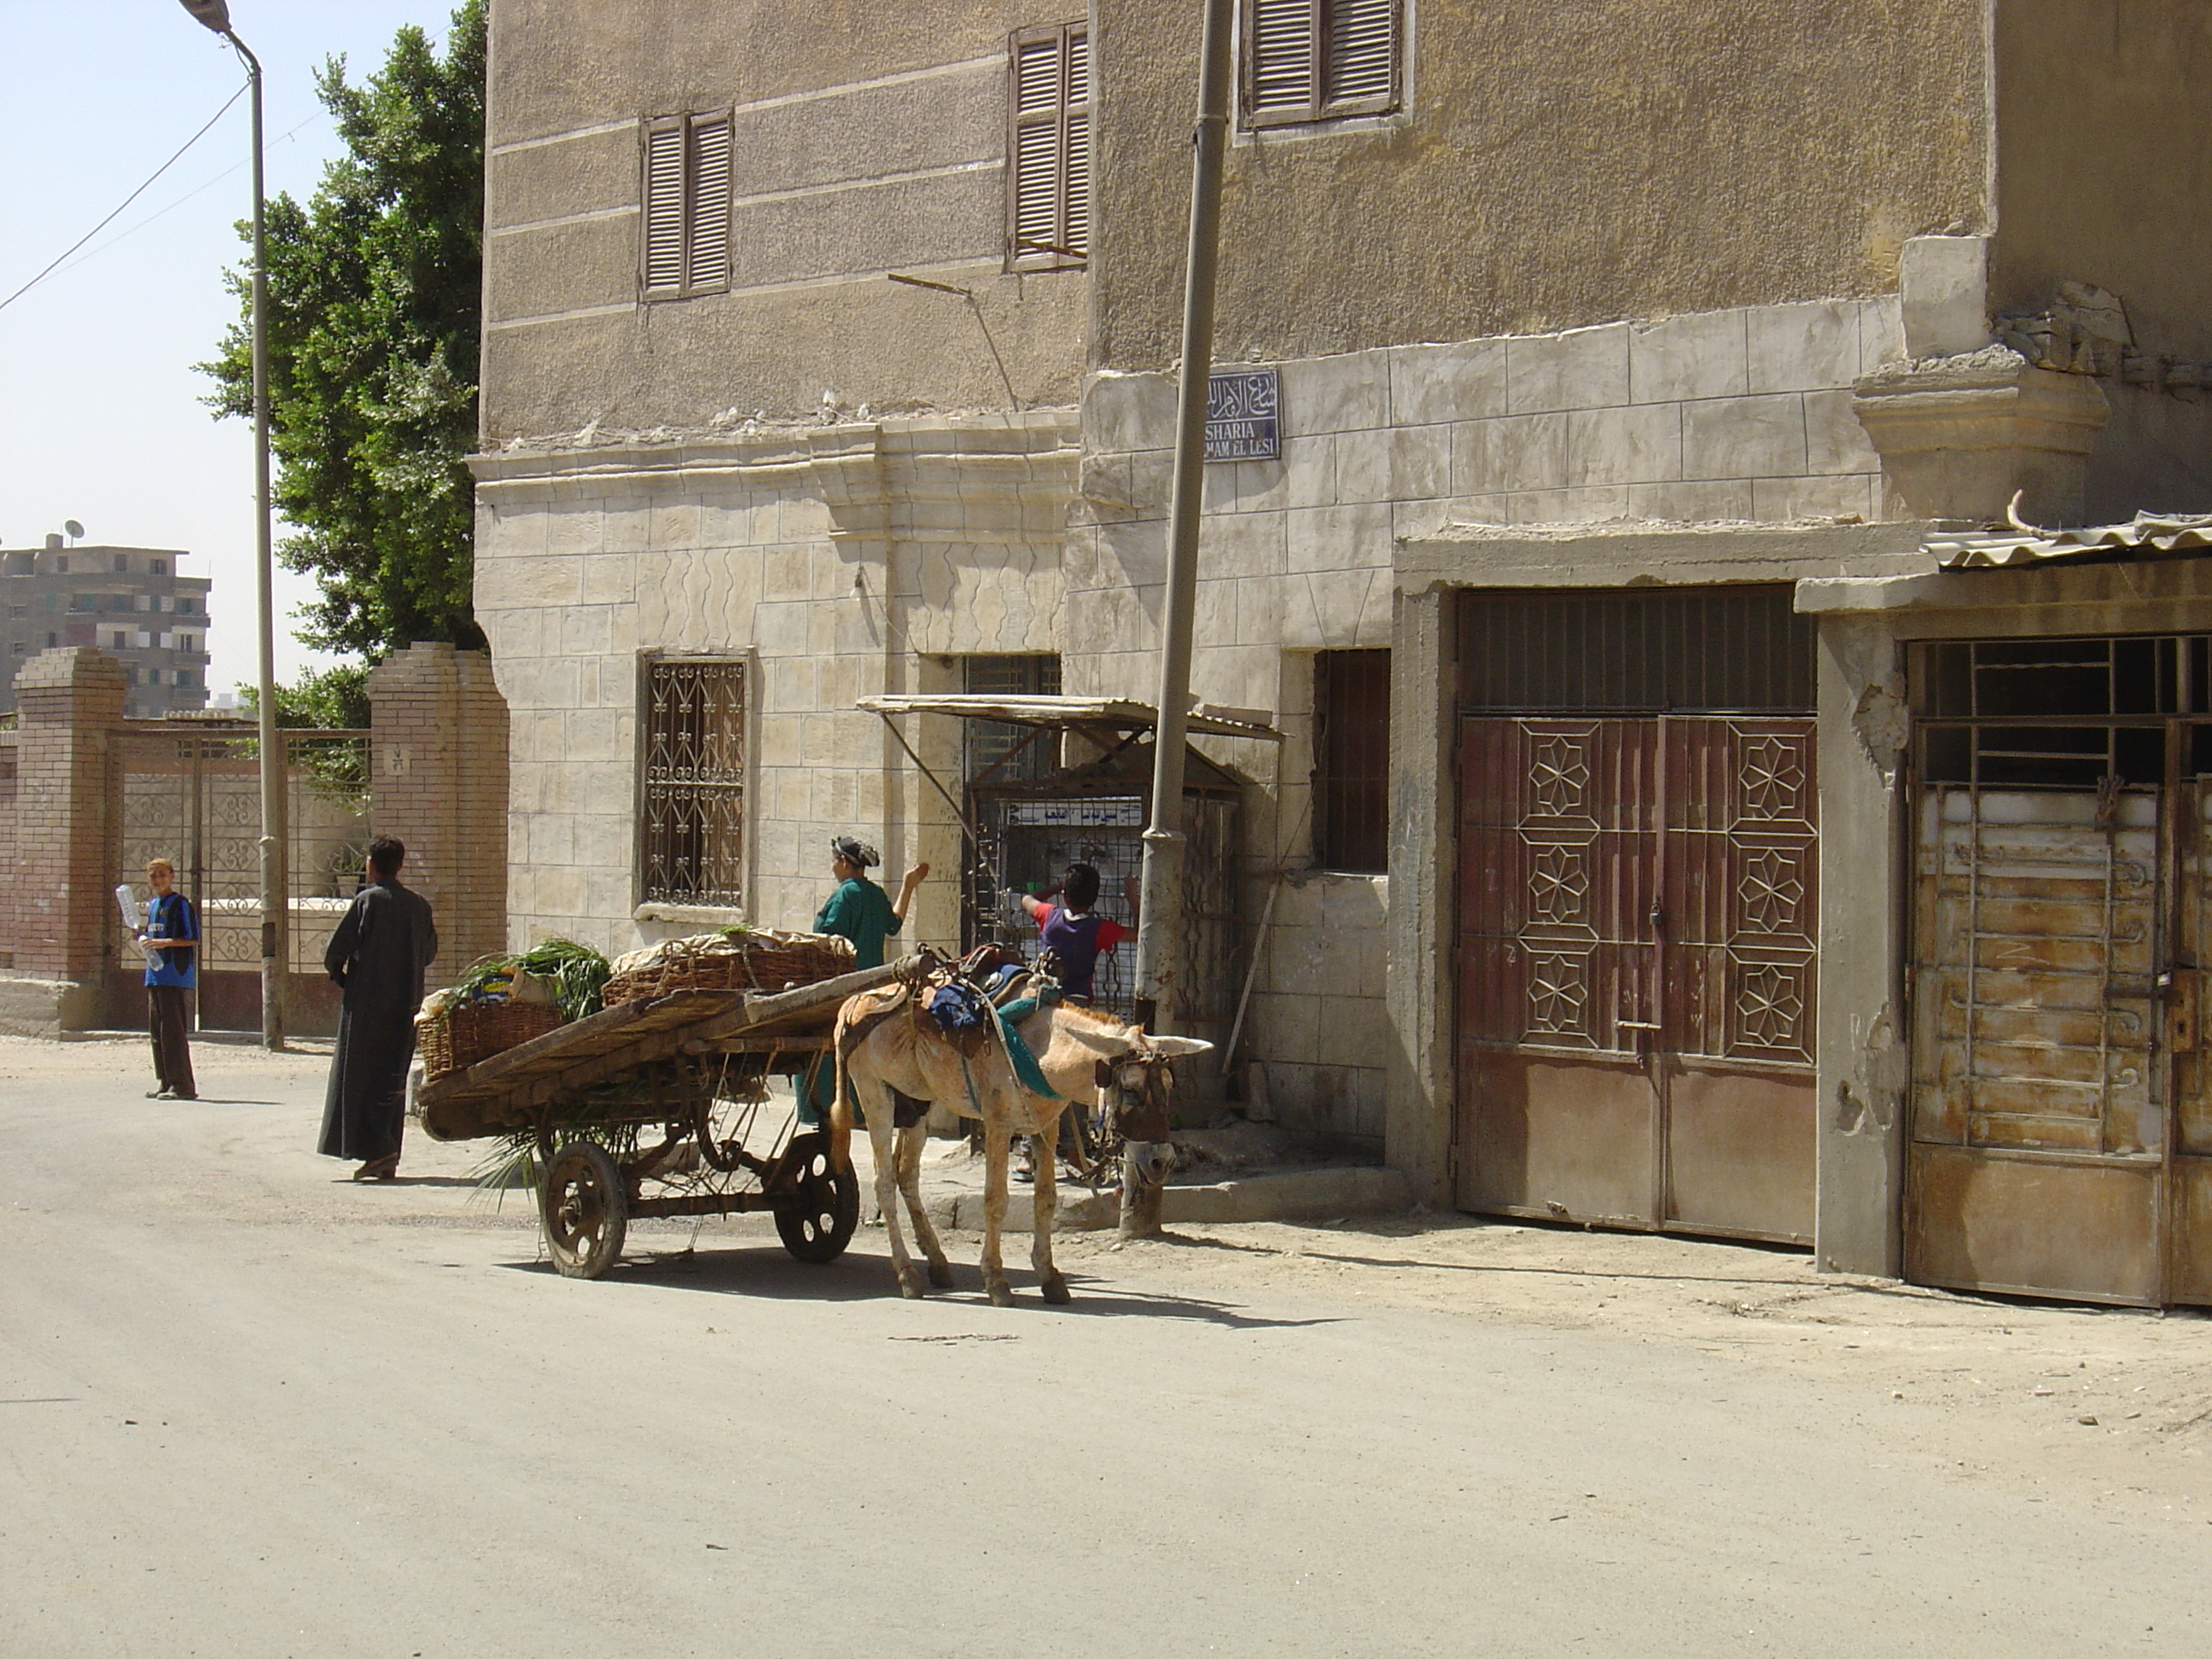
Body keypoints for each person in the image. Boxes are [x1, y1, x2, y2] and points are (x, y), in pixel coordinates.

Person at [317, 834, 439, 1181]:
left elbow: (335, 953)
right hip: (407, 1007)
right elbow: (429, 953)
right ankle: (388, 1151)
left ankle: (376, 1150)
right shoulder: (419, 906)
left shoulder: (366, 902)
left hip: (366, 1007)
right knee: (391, 1079)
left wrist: (342, 978)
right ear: (400, 865)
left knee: (361, 1077)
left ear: (371, 865)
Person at [798, 835, 928, 1126]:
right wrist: (908, 886)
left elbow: (826, 936)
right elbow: (894, 924)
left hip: (842, 987)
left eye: (834, 861)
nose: (833, 867)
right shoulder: (875, 893)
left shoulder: (846, 894)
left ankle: (820, 1109)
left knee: (815, 1042)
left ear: (844, 863)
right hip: (874, 987)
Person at [1016, 862, 1130, 1003]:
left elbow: (1027, 899)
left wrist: (1059, 886)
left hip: (1043, 996)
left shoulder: (1049, 915)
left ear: (1064, 896)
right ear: (1094, 898)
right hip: (1078, 1000)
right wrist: (1133, 899)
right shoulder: (1100, 928)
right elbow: (1140, 934)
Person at [135, 859, 198, 1101]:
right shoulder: (154, 905)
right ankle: (165, 1080)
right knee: (157, 1032)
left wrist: (164, 943)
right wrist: (143, 937)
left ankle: (183, 1085)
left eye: (162, 875)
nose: (158, 880)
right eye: (153, 876)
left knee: (173, 1031)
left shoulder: (180, 904)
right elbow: (153, 936)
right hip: (155, 974)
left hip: (174, 974)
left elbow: (192, 938)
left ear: (171, 876)